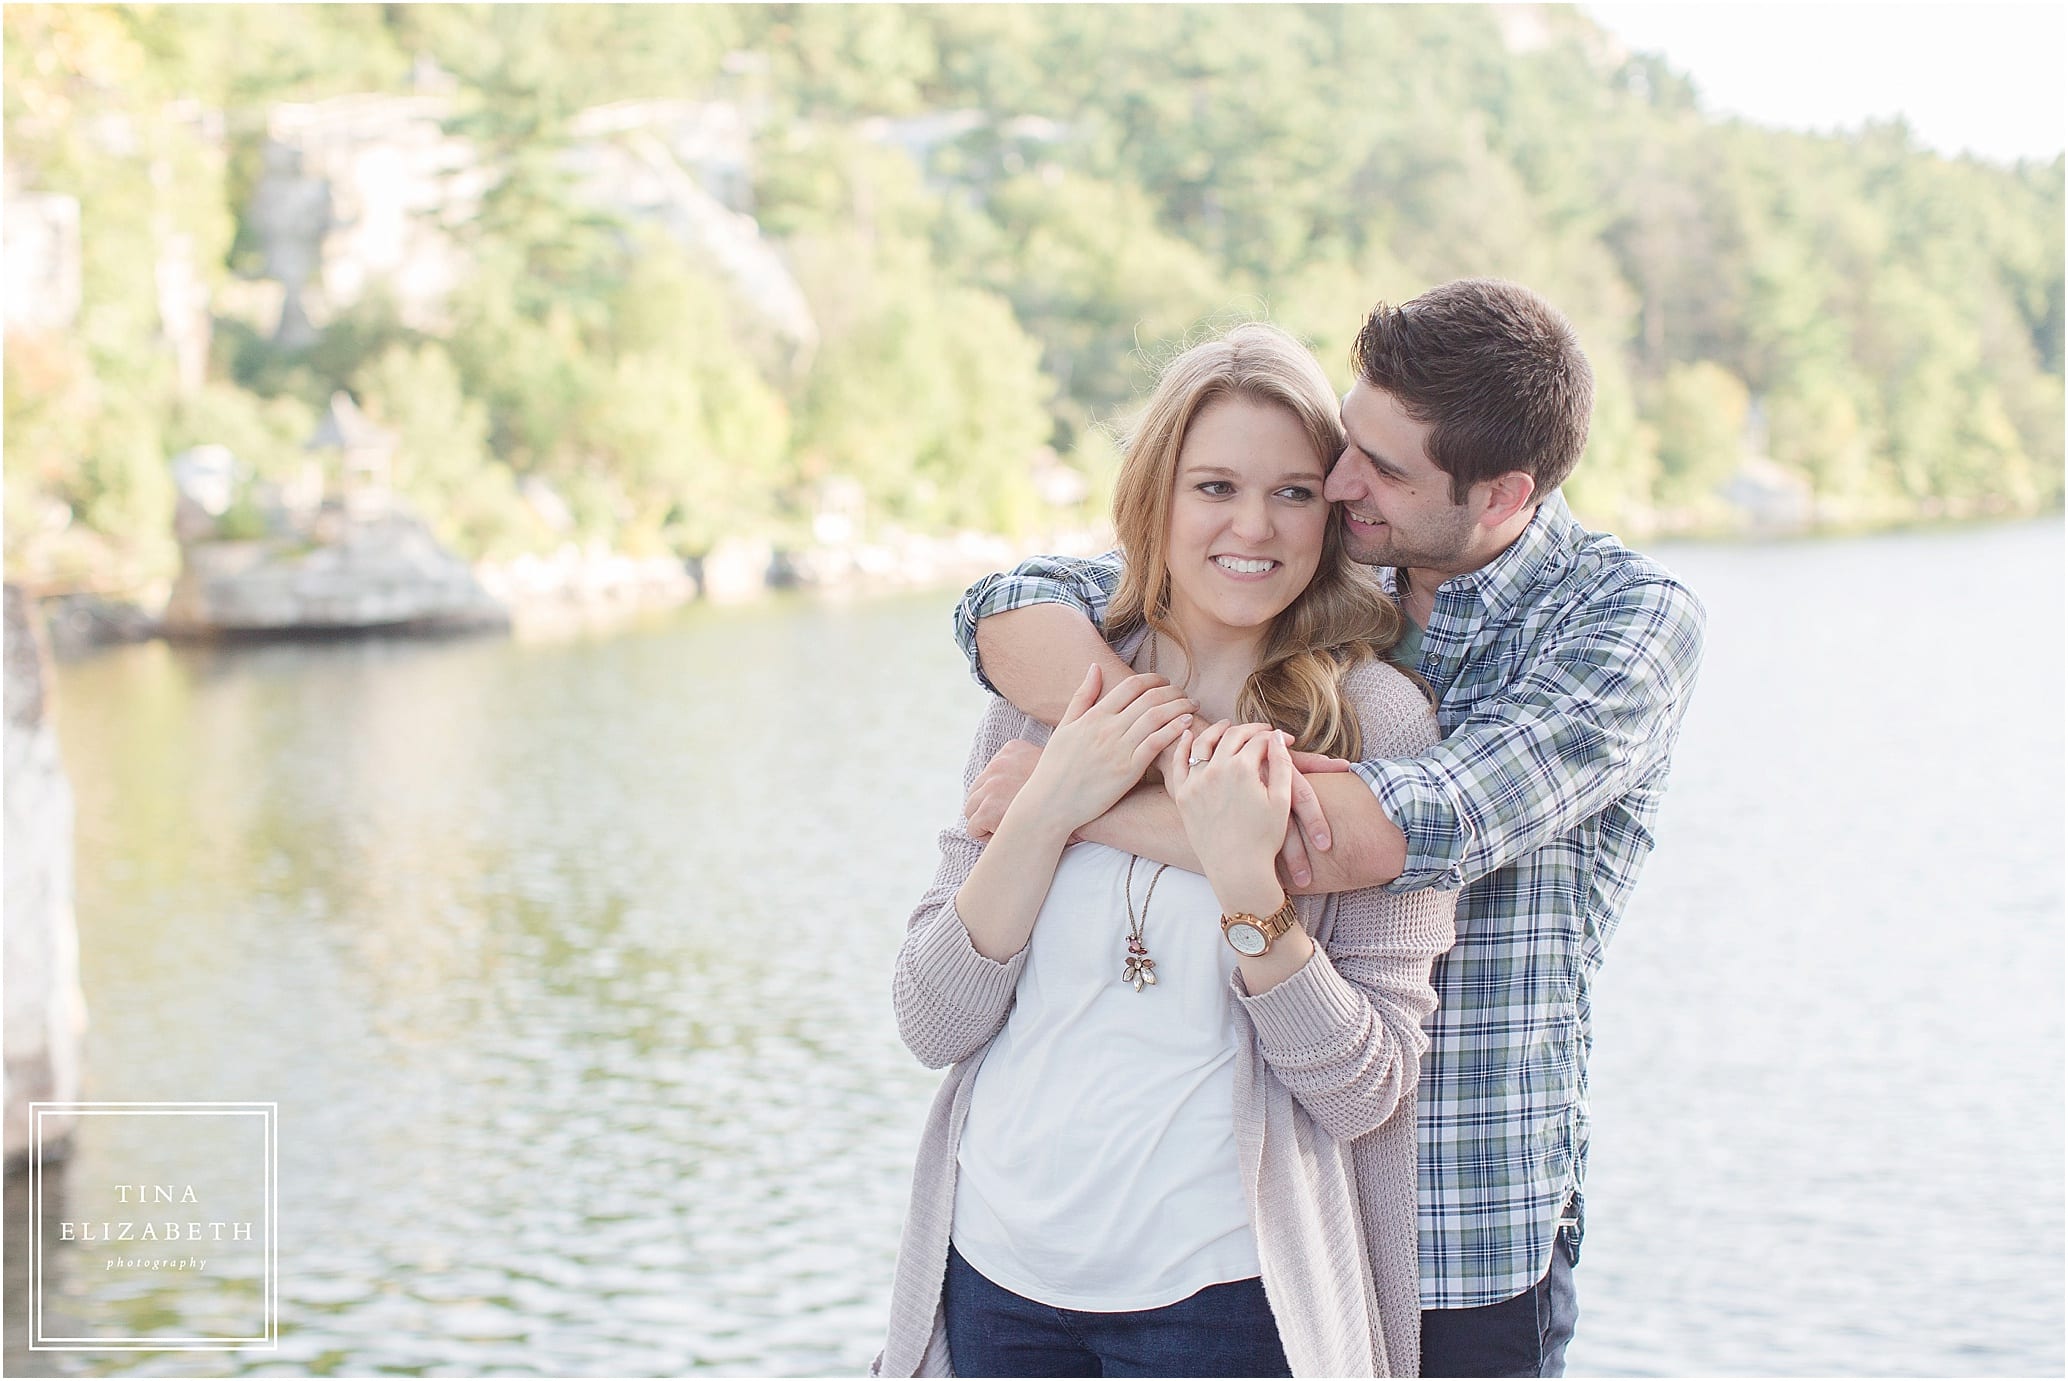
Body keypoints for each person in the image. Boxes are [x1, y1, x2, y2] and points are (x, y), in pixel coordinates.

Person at [949, 279, 1708, 1378]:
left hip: (1454, 1221)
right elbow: (1012, 607)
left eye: (1385, 469)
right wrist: (1120, 770)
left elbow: (1385, 830)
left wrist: (1068, 799)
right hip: (1266, 1213)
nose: (1346, 482)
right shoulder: (1344, 551)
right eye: (1350, 447)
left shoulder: (1623, 625)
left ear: (1502, 496)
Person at [874, 323, 1458, 1378]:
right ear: (1155, 499)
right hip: (996, 1276)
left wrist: (1246, 880)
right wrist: (1054, 797)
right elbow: (932, 1016)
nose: (1253, 525)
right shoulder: (1050, 688)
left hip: (1223, 1297)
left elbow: (1363, 1087)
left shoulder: (1376, 724)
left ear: (1329, 513)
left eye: (1290, 492)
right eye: (1214, 486)